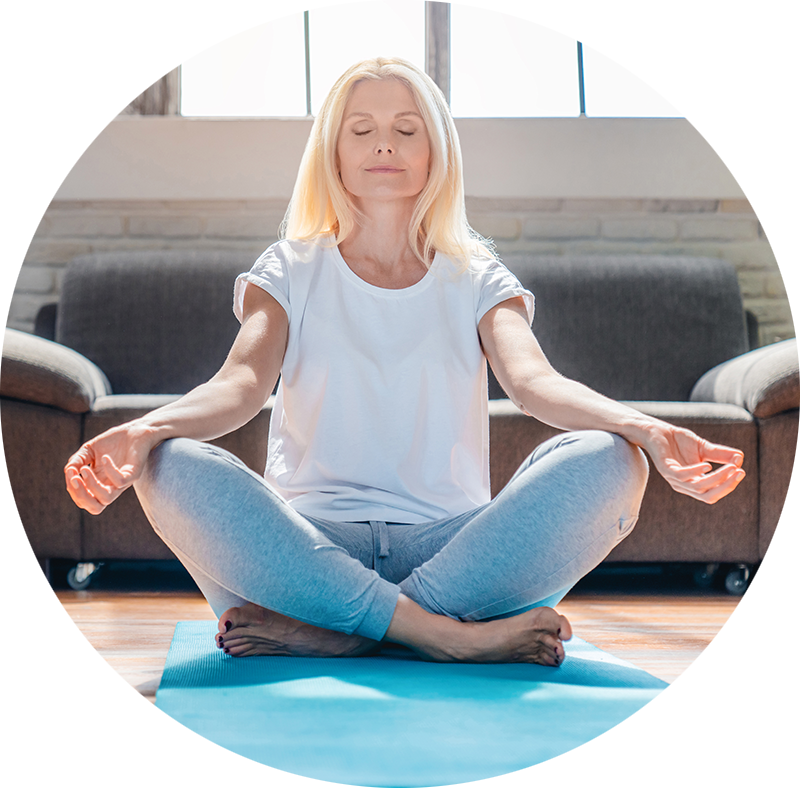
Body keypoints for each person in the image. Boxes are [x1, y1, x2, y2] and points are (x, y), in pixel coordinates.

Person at [64, 58, 745, 667]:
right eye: (360, 129)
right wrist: (147, 430)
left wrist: (647, 433)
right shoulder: (290, 267)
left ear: (435, 151)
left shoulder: (475, 272)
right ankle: (444, 634)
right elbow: (240, 385)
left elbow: (533, 383)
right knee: (168, 465)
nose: (383, 142)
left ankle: (353, 633)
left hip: (452, 555)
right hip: (306, 554)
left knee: (611, 460)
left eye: (406, 128)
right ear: (332, 150)